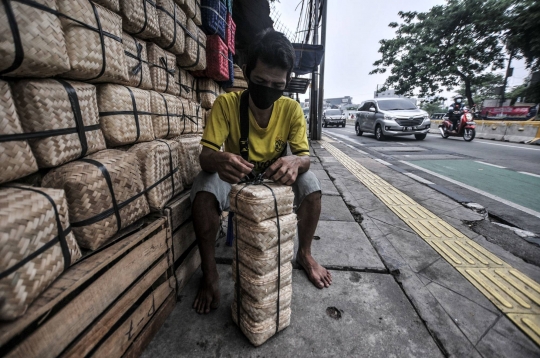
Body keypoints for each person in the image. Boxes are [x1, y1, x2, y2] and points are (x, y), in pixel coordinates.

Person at [190, 29, 332, 314]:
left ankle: (304, 254)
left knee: (312, 185)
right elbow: (205, 157)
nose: (268, 88)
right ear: (246, 73)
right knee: (203, 190)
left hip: (274, 182)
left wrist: (295, 162)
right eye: (260, 81)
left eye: (277, 84)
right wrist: (219, 161)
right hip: (235, 181)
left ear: (288, 81)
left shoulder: (291, 110)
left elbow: (305, 158)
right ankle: (210, 272)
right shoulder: (226, 104)